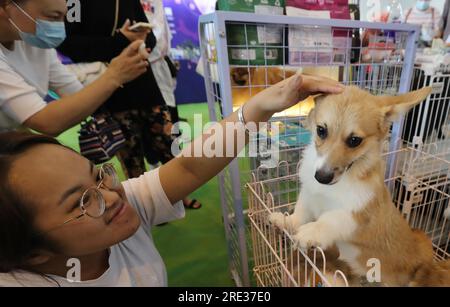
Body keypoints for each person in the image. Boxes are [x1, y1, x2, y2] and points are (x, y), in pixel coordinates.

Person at [0, 74, 343, 286]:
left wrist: (261, 106)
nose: (112, 196)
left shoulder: (122, 211)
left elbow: (188, 168)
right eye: (81, 202)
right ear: (31, 253)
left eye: (99, 176)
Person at [58, 0, 202, 209]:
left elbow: (150, 37)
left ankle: (180, 194)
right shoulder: (76, 3)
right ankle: (147, 205)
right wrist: (119, 41)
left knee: (167, 142)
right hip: (109, 88)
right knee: (130, 156)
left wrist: (143, 39)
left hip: (144, 82)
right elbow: (69, 45)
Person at [0, 0, 149, 136]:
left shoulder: (34, 43)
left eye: (62, 18)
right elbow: (46, 122)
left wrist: (116, 72)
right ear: (6, 5)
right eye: (52, 17)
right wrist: (114, 75)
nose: (59, 27)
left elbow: (74, 91)